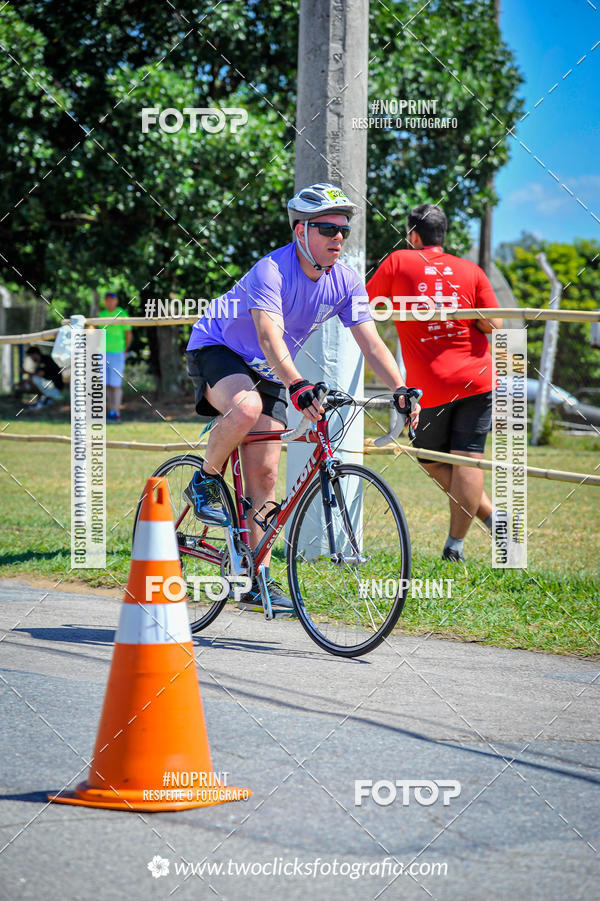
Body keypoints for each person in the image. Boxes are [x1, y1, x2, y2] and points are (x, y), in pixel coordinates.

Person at [185, 183, 420, 609]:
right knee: (246, 407)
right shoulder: (270, 271)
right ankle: (204, 478)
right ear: (300, 232)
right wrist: (297, 384)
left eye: (343, 230)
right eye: (327, 228)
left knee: (266, 477)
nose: (338, 238)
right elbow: (268, 337)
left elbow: (371, 343)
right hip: (218, 348)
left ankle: (258, 578)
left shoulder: (346, 280)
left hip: (270, 369)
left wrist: (400, 388)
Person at [366, 203, 502, 563]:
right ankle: (478, 531)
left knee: (434, 458)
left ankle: (458, 546)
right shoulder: (469, 270)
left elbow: (362, 306)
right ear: (443, 234)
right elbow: (495, 325)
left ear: (413, 235)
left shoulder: (398, 262)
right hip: (478, 379)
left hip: (431, 388)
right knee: (466, 461)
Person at [98, 291, 132, 421]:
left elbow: (128, 333)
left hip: (117, 353)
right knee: (106, 384)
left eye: (111, 299)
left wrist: (125, 350)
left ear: (116, 301)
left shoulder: (122, 314)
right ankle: (111, 411)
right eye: (107, 299)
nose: (109, 302)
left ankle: (116, 412)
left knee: (116, 384)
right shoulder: (102, 314)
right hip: (103, 353)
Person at [19, 346, 63, 410]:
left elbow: (39, 375)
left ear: (35, 354)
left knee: (32, 379)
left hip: (55, 388)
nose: (31, 358)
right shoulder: (39, 363)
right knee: (25, 383)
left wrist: (25, 372)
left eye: (31, 356)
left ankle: (44, 400)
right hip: (49, 386)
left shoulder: (46, 360)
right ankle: (43, 400)